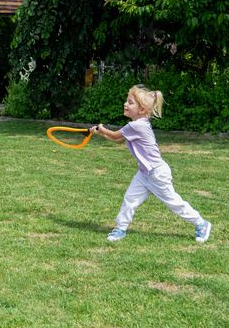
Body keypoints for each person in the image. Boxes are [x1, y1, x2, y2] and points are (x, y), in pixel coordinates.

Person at [90, 85, 211, 244]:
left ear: (142, 110)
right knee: (130, 198)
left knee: (174, 203)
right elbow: (118, 140)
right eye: (127, 101)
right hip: (144, 173)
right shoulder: (136, 125)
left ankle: (201, 223)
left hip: (157, 173)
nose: (126, 104)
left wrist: (102, 128)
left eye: (131, 102)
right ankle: (121, 228)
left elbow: (114, 134)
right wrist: (100, 133)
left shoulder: (137, 125)